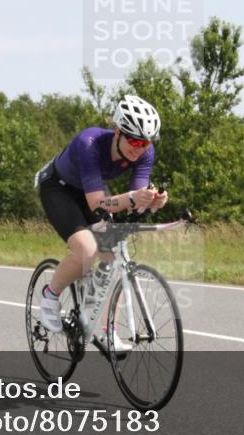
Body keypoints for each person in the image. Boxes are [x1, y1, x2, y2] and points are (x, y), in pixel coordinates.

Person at [35, 95, 168, 350]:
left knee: (112, 253)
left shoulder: (144, 153)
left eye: (145, 142)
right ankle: (50, 297)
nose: (139, 148)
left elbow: (135, 200)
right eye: (134, 139)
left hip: (91, 192)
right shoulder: (90, 143)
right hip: (59, 189)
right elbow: (97, 203)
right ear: (117, 130)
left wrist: (152, 201)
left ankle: (108, 331)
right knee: (87, 250)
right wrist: (132, 198)